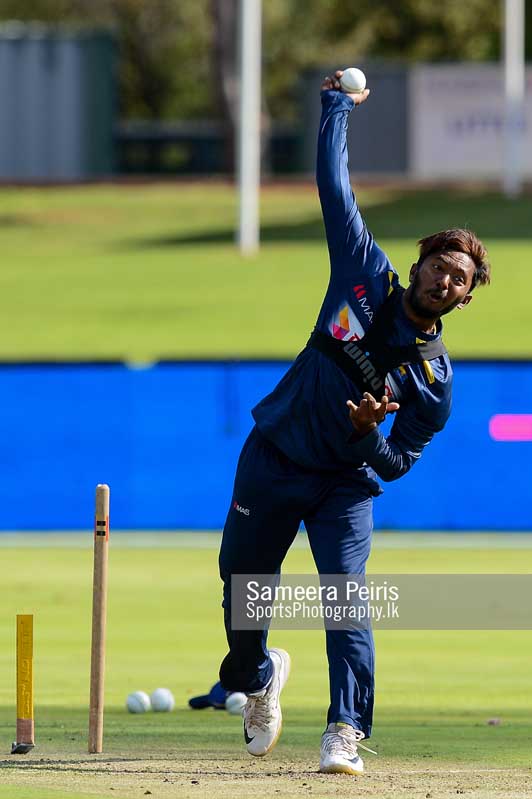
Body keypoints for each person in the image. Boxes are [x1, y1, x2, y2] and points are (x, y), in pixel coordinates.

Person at [217, 70, 491, 775]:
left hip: (344, 484)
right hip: (275, 452)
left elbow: (395, 464)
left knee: (345, 601)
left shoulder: (434, 384)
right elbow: (334, 188)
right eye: (440, 266)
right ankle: (258, 676)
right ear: (418, 264)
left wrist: (369, 435)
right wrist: (336, 106)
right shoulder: (364, 276)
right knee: (244, 594)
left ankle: (345, 727)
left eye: (459, 279)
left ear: (464, 299)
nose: (445, 280)